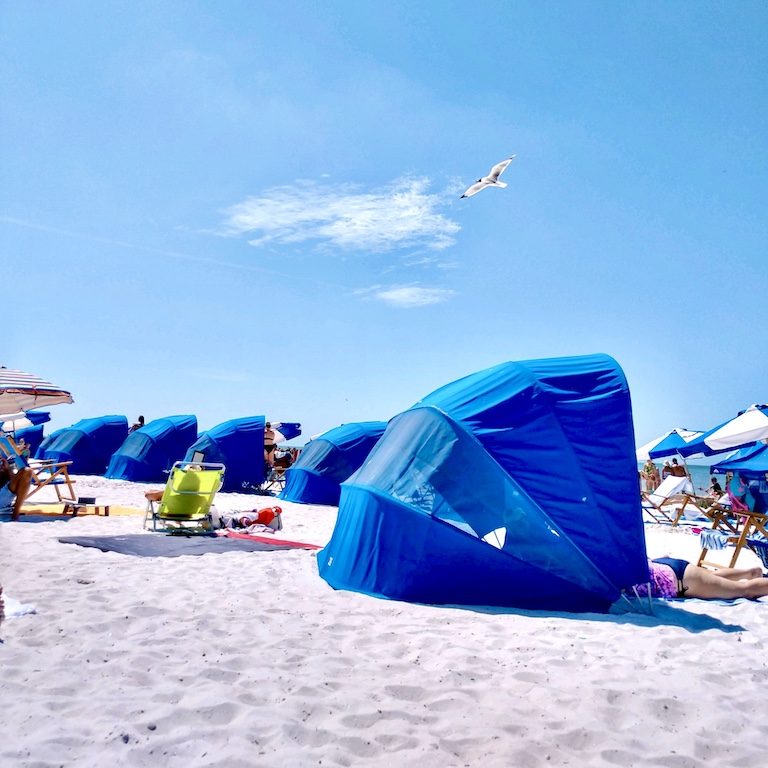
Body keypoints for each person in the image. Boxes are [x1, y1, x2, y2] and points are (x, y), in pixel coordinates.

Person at [633, 557, 768, 600]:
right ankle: (750, 573)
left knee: (744, 591)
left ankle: (751, 576)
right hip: (663, 564)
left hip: (682, 580)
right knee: (710, 577)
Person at [0, 455, 33, 520]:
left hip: (4, 493)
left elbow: (13, 480)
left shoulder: (4, 461)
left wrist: (7, 469)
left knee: (27, 471)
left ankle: (16, 511)